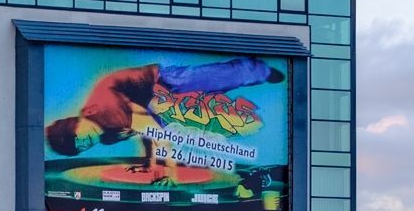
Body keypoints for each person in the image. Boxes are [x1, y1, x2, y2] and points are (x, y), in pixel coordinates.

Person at [45, 56, 286, 174]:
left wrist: (169, 170)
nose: (85, 143)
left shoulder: (106, 113)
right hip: (152, 103)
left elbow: (153, 129)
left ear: (76, 122)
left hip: (163, 82)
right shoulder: (104, 132)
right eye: (81, 148)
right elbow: (146, 127)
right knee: (205, 102)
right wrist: (151, 164)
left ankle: (258, 69)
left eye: (78, 138)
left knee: (220, 78)